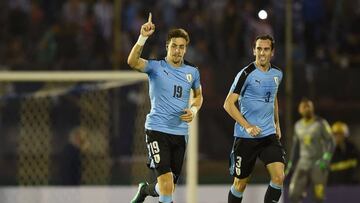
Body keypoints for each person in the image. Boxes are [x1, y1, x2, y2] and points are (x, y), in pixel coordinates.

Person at [127, 13, 203, 203]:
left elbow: (199, 96)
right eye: (174, 46)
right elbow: (132, 62)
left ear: (186, 49)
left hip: (180, 132)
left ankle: (145, 190)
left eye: (182, 47)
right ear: (167, 47)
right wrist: (142, 37)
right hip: (157, 129)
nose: (178, 51)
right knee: (167, 186)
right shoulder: (156, 67)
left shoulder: (192, 72)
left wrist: (193, 110)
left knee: (167, 188)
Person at [223, 34, 285, 203]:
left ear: (272, 52)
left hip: (268, 135)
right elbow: (228, 104)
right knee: (240, 184)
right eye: (259, 49)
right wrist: (248, 126)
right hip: (246, 137)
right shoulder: (246, 74)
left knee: (279, 177)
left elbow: (274, 98)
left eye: (266, 49)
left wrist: (277, 124)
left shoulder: (277, 74)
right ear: (253, 50)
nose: (262, 53)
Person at [285, 98, 335, 203]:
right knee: (293, 194)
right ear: (300, 110)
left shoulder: (321, 123)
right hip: (303, 163)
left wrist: (325, 159)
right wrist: (290, 164)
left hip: (317, 163)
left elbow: (331, 141)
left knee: (318, 197)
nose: (307, 108)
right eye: (304, 106)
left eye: (309, 106)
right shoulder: (297, 126)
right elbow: (295, 147)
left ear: (312, 108)